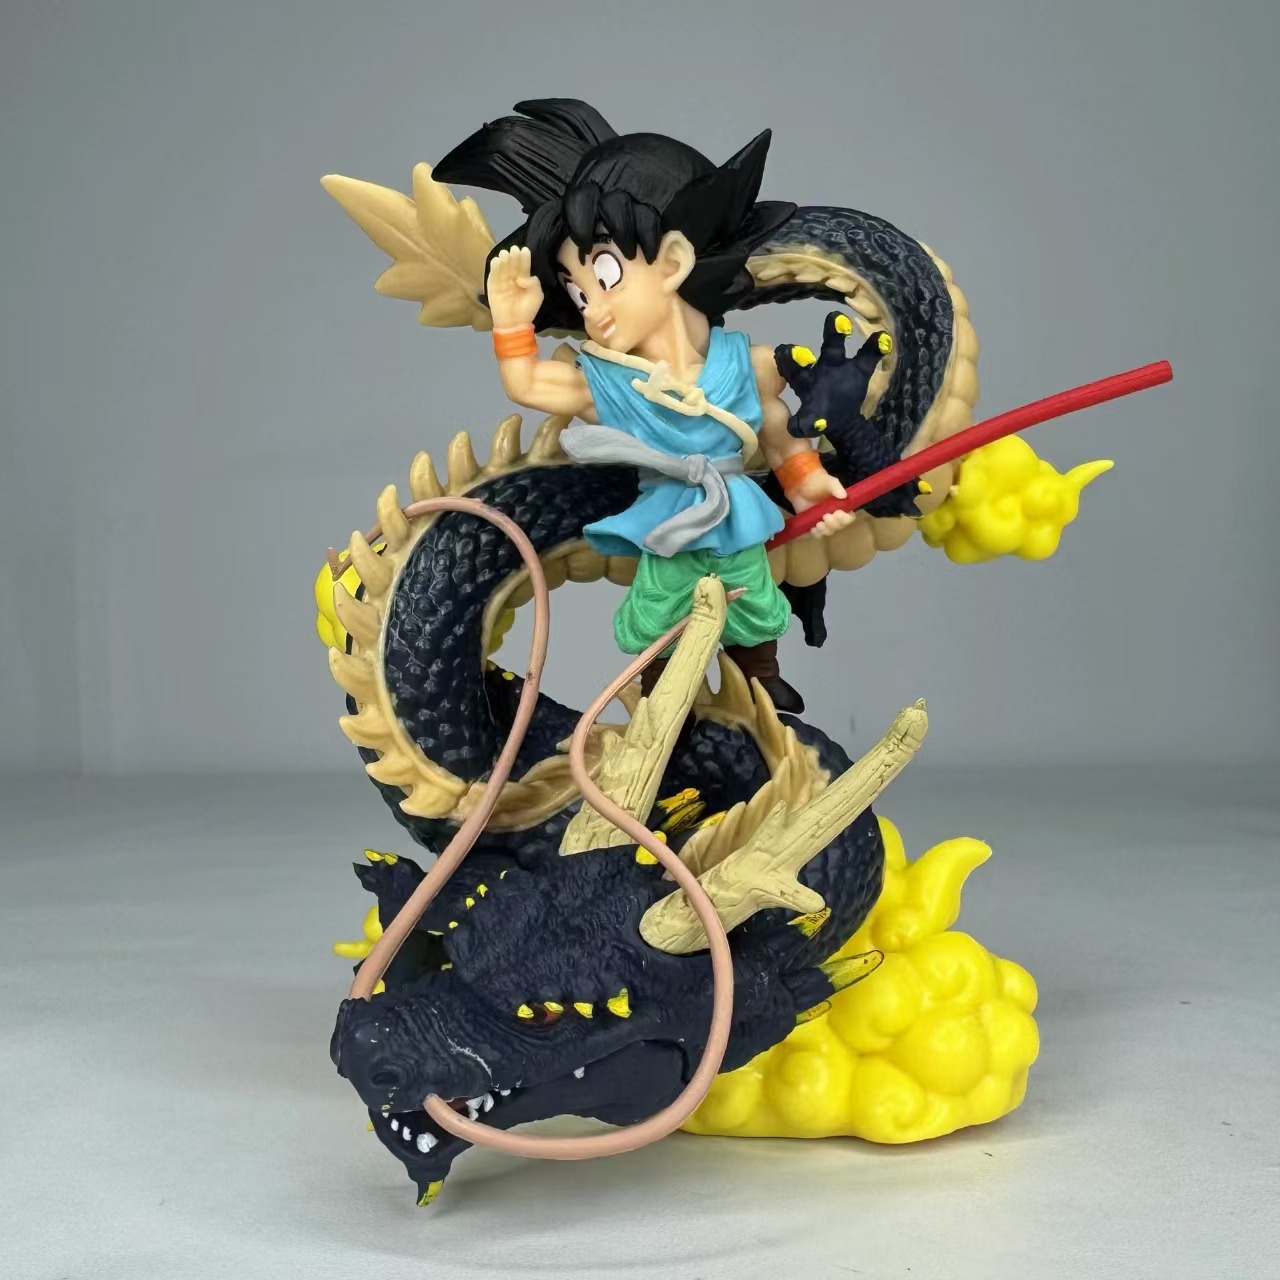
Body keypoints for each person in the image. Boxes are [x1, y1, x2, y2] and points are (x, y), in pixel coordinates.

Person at [434, 100, 853, 712]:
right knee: (659, 609)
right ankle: (660, 699)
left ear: (674, 262)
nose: (594, 310)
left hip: (735, 510)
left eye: (605, 274)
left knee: (754, 598)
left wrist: (809, 485)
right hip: (667, 515)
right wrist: (512, 324)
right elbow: (527, 384)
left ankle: (759, 675)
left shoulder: (748, 362)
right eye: (578, 293)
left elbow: (776, 431)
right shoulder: (607, 381)